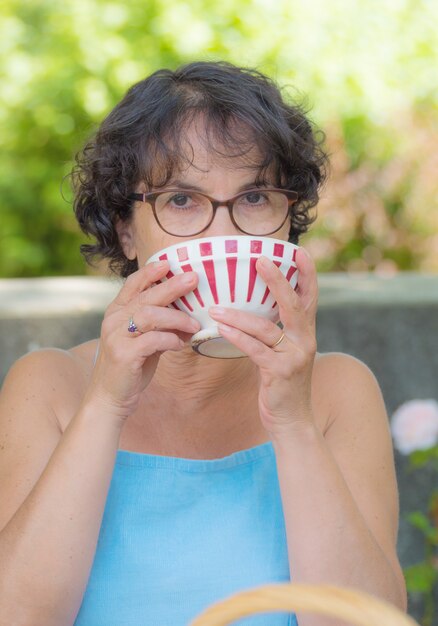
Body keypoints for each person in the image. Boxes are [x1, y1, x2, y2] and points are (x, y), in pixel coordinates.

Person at [0, 61, 407, 626]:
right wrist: (106, 405)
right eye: (182, 200)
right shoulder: (49, 387)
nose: (225, 235)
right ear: (125, 228)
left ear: (289, 218)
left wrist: (293, 422)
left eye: (256, 197)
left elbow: (366, 621)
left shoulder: (337, 392)